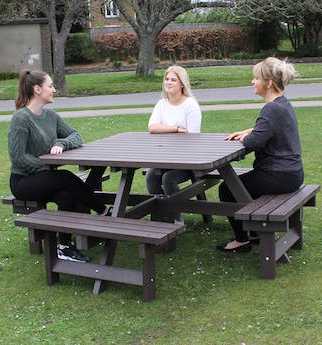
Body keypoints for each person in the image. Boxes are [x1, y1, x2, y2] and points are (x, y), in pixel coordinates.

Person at [8, 70, 111, 262]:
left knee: (67, 195)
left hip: (47, 179)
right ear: (37, 89)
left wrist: (61, 143)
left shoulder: (50, 116)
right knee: (63, 177)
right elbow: (18, 158)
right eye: (50, 86)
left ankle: (63, 246)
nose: (54, 90)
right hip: (24, 182)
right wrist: (47, 166)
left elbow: (76, 136)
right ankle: (104, 211)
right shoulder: (21, 118)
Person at [217, 57, 304, 252]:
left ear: (269, 83)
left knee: (228, 190)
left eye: (255, 78)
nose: (252, 82)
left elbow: (255, 142)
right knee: (241, 186)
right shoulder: (282, 104)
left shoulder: (271, 108)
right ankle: (254, 232)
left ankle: (242, 240)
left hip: (279, 175)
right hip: (292, 173)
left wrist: (246, 138)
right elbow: (269, 129)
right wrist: (250, 130)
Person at [145, 65, 202, 224]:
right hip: (164, 157)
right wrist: (176, 129)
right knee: (151, 177)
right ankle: (162, 216)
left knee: (168, 179)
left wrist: (167, 132)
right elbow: (152, 127)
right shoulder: (162, 104)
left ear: (182, 83)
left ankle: (177, 218)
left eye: (173, 80)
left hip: (187, 160)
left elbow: (193, 136)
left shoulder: (190, 105)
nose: (168, 82)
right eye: (167, 79)